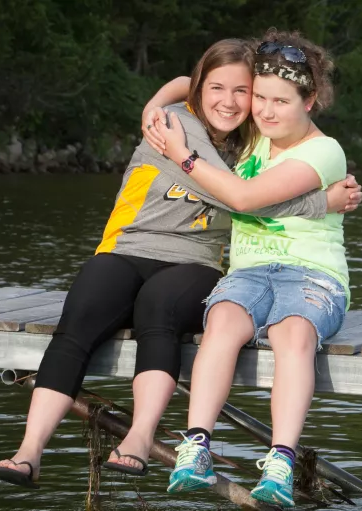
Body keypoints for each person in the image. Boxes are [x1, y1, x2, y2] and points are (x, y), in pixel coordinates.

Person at [0, 38, 362, 489]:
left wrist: (323, 198)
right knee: (81, 315)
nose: (231, 101)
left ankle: (139, 438)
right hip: (128, 246)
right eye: (218, 89)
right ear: (200, 90)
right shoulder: (173, 126)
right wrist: (320, 203)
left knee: (160, 311)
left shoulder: (250, 142)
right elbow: (191, 93)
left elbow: (243, 195)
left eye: (243, 92)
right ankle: (29, 450)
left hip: (194, 260)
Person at [148, 30, 350, 508]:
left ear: (311, 100)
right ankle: (196, 447)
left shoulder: (325, 152)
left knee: (292, 334)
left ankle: (280, 460)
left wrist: (183, 155)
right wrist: (153, 108)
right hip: (249, 272)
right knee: (220, 325)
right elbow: (188, 83)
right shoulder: (258, 132)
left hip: (311, 275)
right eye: (260, 97)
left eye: (281, 101)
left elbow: (241, 199)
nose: (266, 110)